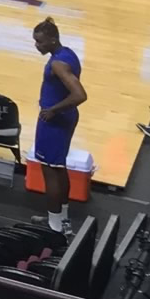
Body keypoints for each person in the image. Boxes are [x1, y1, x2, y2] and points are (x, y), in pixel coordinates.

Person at [33, 19, 87, 233]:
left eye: (40, 42)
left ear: (52, 40)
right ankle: (62, 218)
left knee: (50, 171)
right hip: (66, 117)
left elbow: (80, 94)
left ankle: (54, 226)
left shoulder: (57, 64)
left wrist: (53, 110)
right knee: (59, 167)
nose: (37, 45)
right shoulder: (67, 53)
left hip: (54, 121)